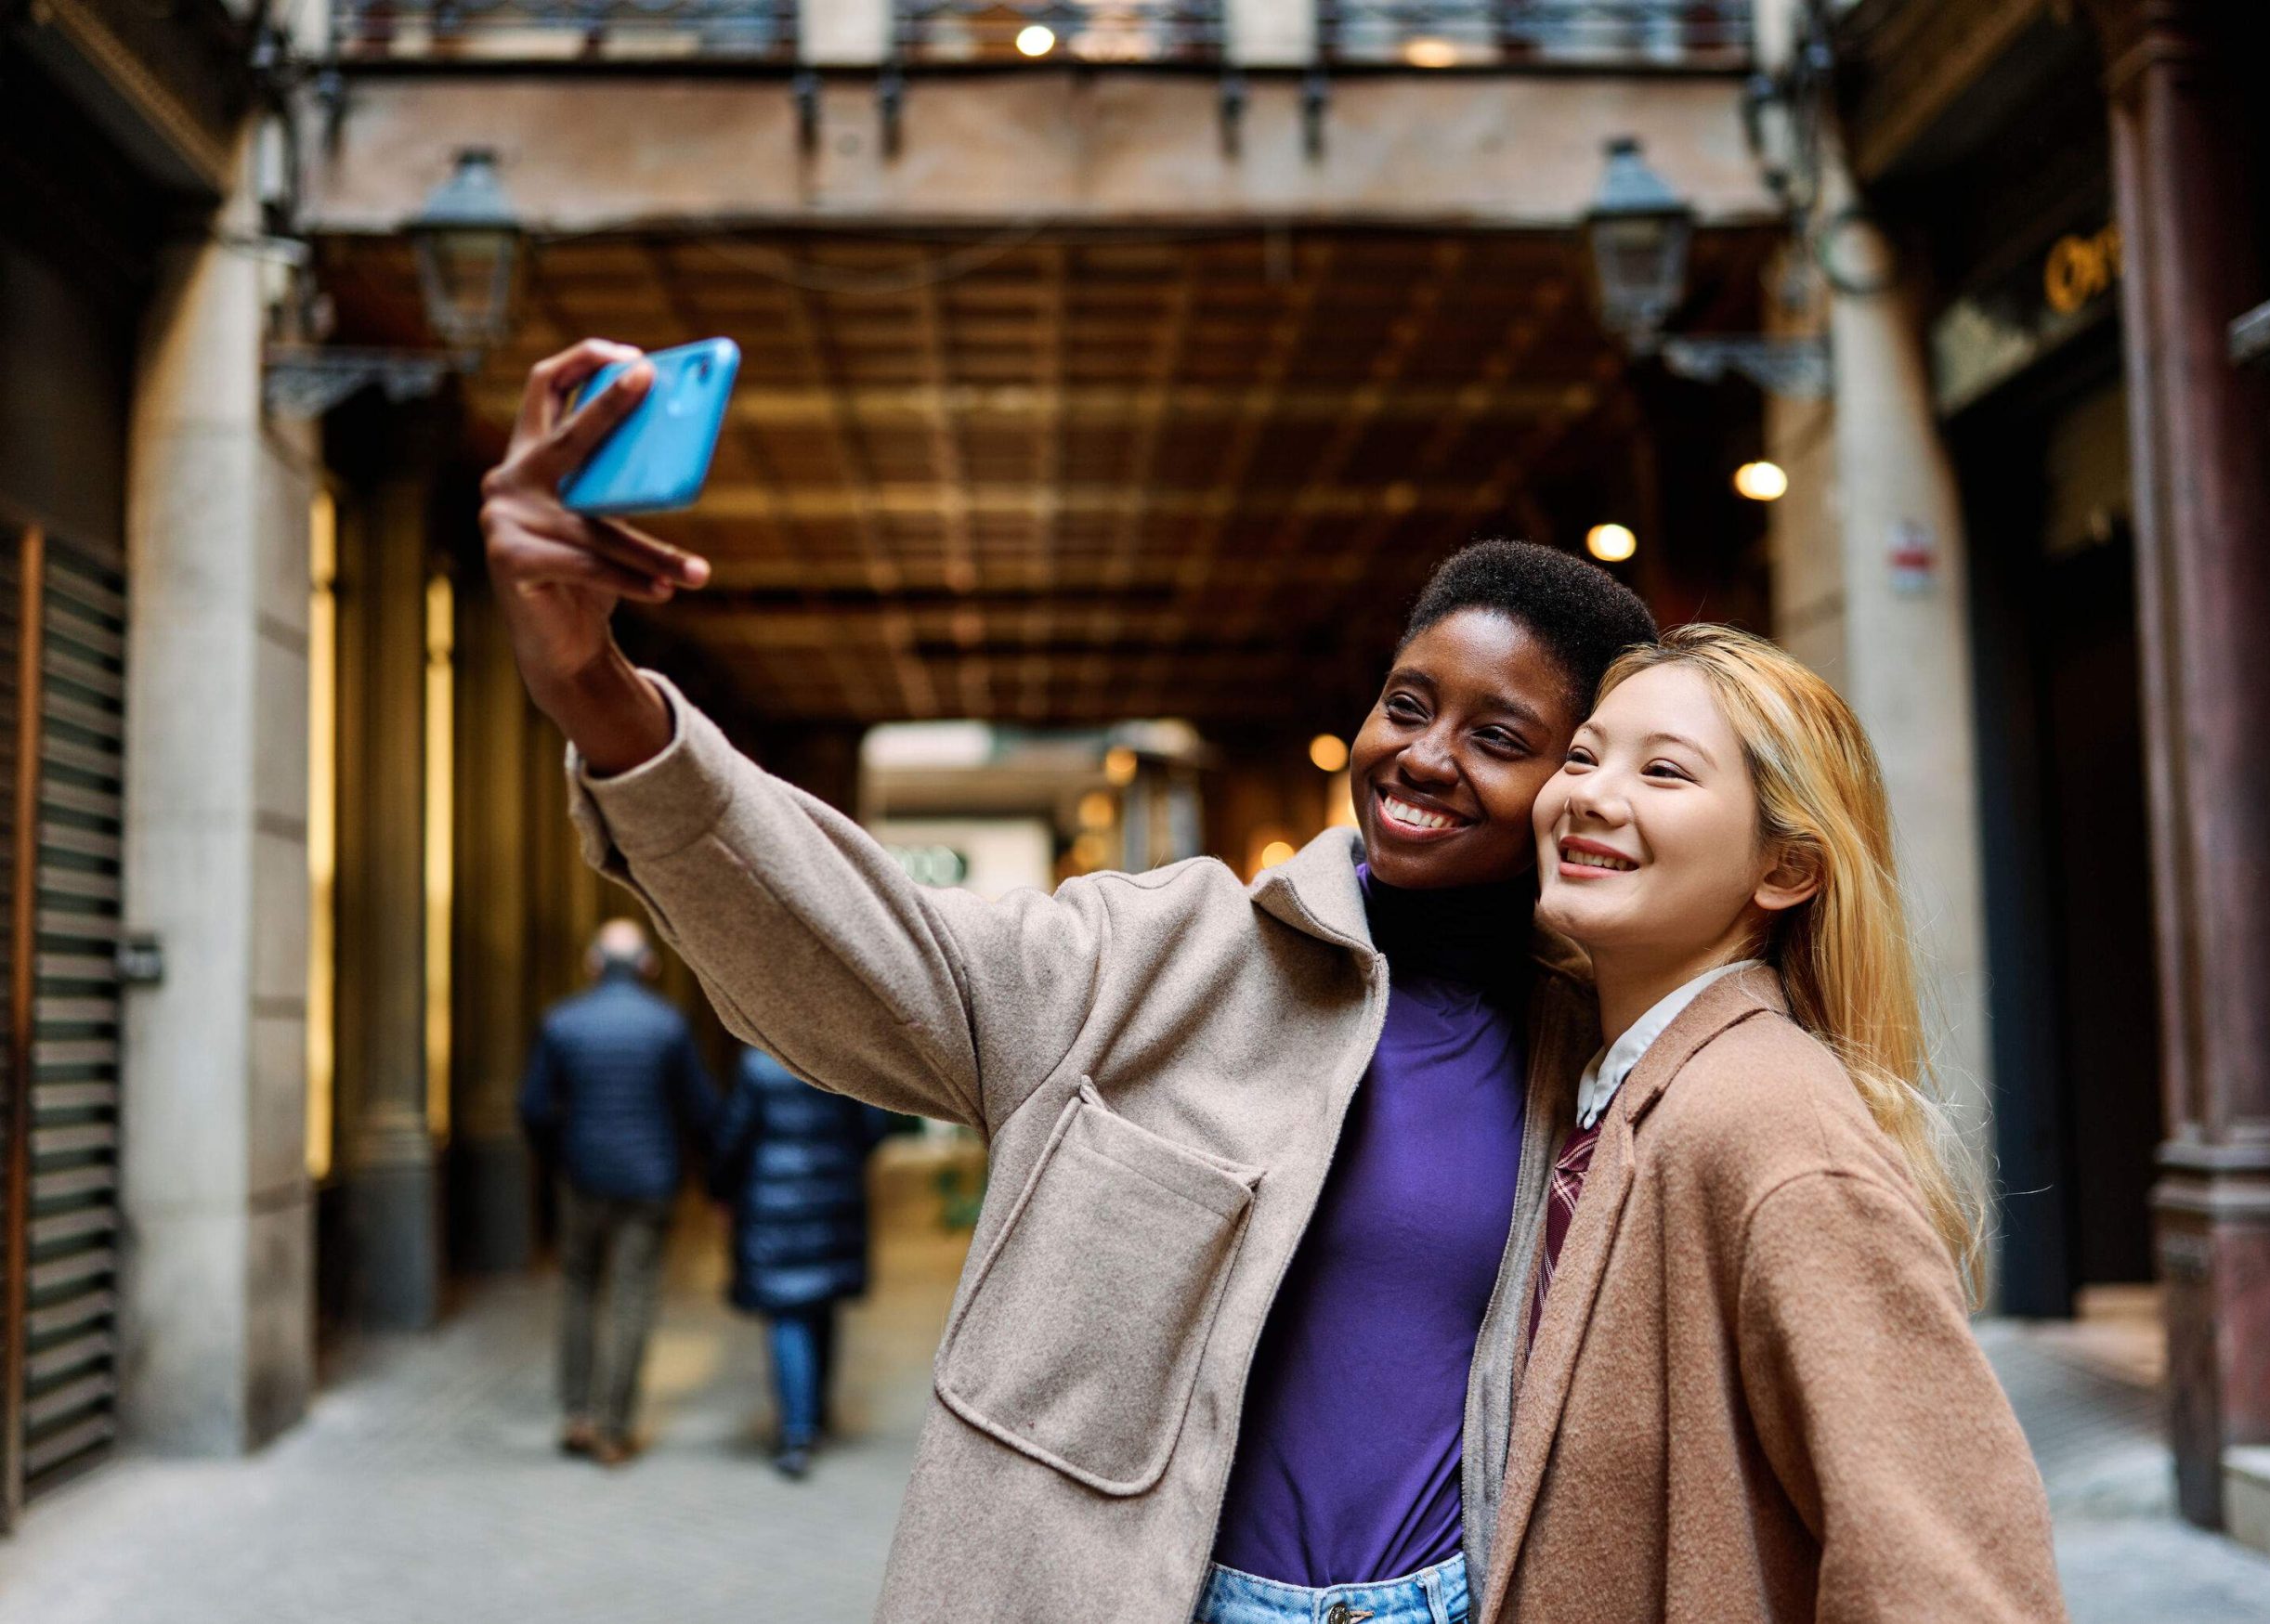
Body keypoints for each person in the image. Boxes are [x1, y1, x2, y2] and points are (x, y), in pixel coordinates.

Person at [478, 338, 1657, 1624]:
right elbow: (867, 949)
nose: (1424, 758)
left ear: (1578, 783)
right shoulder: (1159, 955)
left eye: (1499, 737)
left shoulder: (1595, 1048)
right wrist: (593, 688)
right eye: (1405, 703)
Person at [1489, 624, 2066, 1623]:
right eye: (1583, 755)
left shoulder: (1769, 1128)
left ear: (1786, 870)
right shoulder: (1610, 1085)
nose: (1589, 792)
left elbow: (1950, 1580)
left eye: (1664, 772)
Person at [517, 917, 716, 1467]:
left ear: (593, 963)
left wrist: (560, 1157)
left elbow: (533, 1108)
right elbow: (701, 1109)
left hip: (581, 1179)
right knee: (632, 1298)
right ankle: (614, 1426)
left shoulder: (562, 1023)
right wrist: (708, 1171)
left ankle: (576, 1415)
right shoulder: (668, 1025)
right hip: (649, 1183)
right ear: (649, 967)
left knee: (579, 1289)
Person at [709, 1046, 894, 1479]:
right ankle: (817, 1414)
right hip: (834, 1197)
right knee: (822, 1301)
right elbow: (875, 1126)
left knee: (788, 1310)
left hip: (772, 1201)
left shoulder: (756, 1063)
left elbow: (734, 1133)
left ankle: (796, 1431)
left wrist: (721, 1187)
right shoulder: (845, 1053)